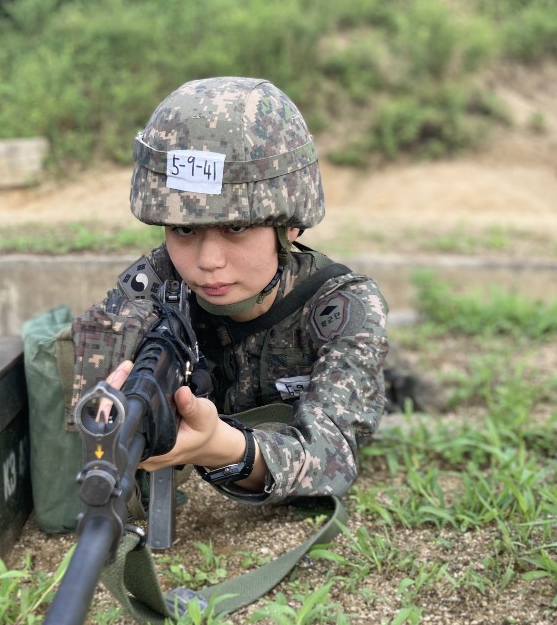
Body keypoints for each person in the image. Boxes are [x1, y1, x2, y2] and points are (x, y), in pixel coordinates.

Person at [71, 76, 389, 508]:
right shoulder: (157, 289)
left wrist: (223, 449)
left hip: (305, 403)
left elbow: (331, 458)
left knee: (392, 388)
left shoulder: (339, 307)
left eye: (236, 227)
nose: (208, 261)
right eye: (184, 229)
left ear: (289, 225)